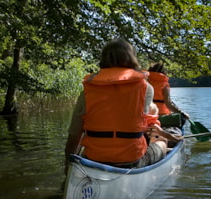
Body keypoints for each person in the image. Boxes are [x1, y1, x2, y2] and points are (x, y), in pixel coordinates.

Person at [64, 38, 168, 173]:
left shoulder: (88, 89)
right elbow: (145, 126)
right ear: (131, 58)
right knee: (163, 142)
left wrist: (68, 166)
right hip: (131, 161)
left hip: (94, 159)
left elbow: (74, 135)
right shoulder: (145, 88)